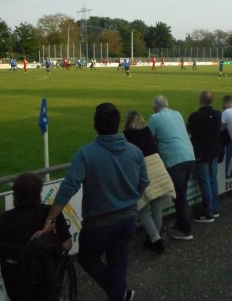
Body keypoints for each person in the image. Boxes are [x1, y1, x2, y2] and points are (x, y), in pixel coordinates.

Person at [33, 103, 148, 301]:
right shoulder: (134, 151)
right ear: (118, 124)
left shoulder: (87, 153)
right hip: (127, 219)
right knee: (118, 267)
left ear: (95, 125)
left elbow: (68, 188)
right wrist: (130, 201)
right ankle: (119, 293)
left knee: (87, 258)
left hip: (99, 224)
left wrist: (51, 218)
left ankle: (118, 294)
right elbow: (144, 182)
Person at [0, 173, 73, 301]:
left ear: (15, 194)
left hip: (12, 284)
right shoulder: (50, 214)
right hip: (44, 282)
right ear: (39, 192)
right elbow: (67, 245)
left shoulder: (3, 219)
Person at [123, 111, 175, 255]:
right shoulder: (147, 131)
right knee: (156, 207)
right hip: (158, 168)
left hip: (144, 171)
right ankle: (154, 238)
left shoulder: (127, 134)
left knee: (143, 208)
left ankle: (155, 239)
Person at [149, 95, 196, 240]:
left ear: (155, 107)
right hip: (189, 156)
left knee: (180, 196)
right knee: (182, 193)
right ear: (167, 104)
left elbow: (149, 137)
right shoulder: (177, 114)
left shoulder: (154, 118)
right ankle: (182, 222)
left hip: (176, 160)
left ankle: (186, 230)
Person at [186, 90, 222, 222]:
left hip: (201, 153)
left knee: (206, 182)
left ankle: (208, 213)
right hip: (213, 152)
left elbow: (188, 131)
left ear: (200, 100)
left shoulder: (194, 117)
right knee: (212, 180)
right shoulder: (218, 114)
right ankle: (215, 208)